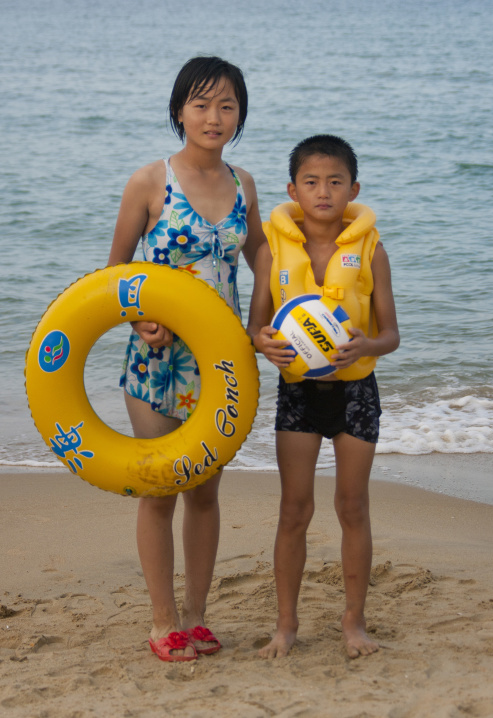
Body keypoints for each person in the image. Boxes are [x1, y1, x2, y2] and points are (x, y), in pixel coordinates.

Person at [108, 56, 266, 662]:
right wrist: (137, 316)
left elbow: (263, 260)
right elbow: (116, 271)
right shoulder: (150, 182)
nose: (214, 117)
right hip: (157, 361)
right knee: (161, 488)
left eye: (227, 106)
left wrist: (261, 323)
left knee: (204, 492)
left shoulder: (244, 183)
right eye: (201, 104)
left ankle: (197, 618)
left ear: (239, 116)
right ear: (179, 111)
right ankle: (161, 621)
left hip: (220, 365)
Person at [247, 134, 399, 659]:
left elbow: (391, 336)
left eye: (336, 182)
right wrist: (265, 344)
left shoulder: (371, 249)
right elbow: (256, 327)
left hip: (356, 391)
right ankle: (285, 626)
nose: (323, 191)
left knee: (353, 507)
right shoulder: (271, 250)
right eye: (311, 182)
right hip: (298, 396)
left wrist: (366, 342)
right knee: (294, 510)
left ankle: (353, 622)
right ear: (292, 189)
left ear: (353, 188)